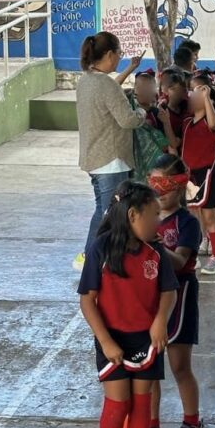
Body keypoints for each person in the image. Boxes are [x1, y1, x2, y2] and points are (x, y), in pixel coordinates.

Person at [78, 181, 178, 428]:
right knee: (117, 403)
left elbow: (168, 291)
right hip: (113, 340)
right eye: (154, 215)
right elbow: (87, 300)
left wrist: (160, 321)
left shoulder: (156, 250)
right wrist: (105, 341)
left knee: (142, 404)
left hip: (147, 340)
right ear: (133, 215)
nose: (158, 222)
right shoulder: (100, 249)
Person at [145, 156, 207, 428]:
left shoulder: (188, 223)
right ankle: (151, 427)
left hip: (180, 296)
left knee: (180, 365)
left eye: (165, 185)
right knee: (151, 367)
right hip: (150, 297)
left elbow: (181, 261)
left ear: (180, 186)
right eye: (154, 183)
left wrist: (154, 242)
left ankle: (193, 424)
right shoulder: (145, 217)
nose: (159, 191)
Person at [73, 32, 145, 272]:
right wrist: (142, 113)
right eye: (119, 54)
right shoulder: (105, 84)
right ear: (110, 54)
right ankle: (92, 257)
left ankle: (92, 256)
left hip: (94, 157)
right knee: (110, 214)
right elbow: (127, 120)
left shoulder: (87, 80)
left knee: (103, 209)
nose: (119, 59)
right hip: (111, 159)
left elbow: (110, 94)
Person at [183, 72, 215, 276]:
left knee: (209, 215)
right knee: (193, 214)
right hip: (190, 176)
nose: (192, 95)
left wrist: (206, 97)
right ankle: (195, 250)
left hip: (205, 174)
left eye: (196, 92)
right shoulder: (187, 123)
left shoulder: (210, 123)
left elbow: (214, 124)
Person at [159, 67, 190, 150]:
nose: (177, 92)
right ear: (165, 91)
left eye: (181, 89)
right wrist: (166, 122)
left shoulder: (188, 107)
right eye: (173, 89)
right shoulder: (161, 110)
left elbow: (176, 142)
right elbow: (173, 144)